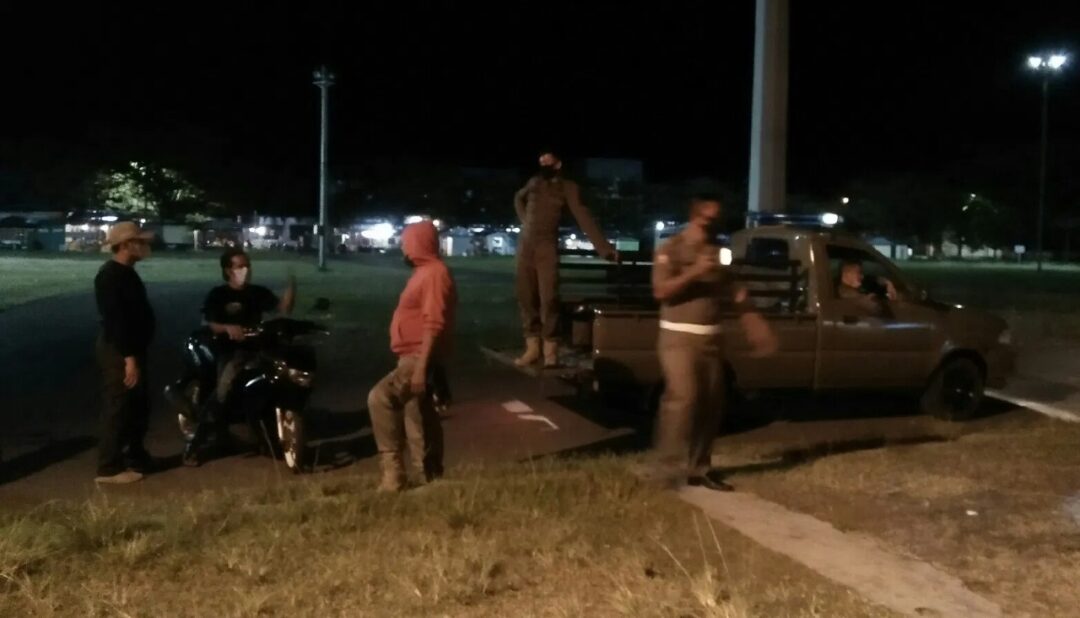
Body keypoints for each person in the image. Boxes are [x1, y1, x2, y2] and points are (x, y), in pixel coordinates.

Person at [649, 195, 778, 490]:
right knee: (684, 398)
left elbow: (735, 290)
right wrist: (694, 271)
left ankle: (699, 468)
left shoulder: (719, 252)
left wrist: (754, 323)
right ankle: (667, 469)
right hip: (678, 337)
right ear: (694, 216)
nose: (711, 223)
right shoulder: (671, 249)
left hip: (711, 338)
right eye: (707, 218)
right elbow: (660, 291)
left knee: (711, 403)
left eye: (716, 218)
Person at [182, 248, 295, 466]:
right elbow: (210, 323)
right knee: (223, 392)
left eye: (248, 265)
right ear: (228, 270)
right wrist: (227, 328)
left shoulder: (258, 292)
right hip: (231, 351)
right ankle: (195, 445)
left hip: (259, 349)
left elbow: (283, 309)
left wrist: (292, 284)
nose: (246, 270)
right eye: (240, 266)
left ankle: (268, 437)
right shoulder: (219, 295)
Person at [367, 221, 456, 492]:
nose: (403, 248)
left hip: (419, 356)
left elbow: (434, 322)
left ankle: (393, 474)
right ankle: (428, 477)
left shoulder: (435, 273)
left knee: (381, 398)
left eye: (407, 242)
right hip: (413, 355)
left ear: (419, 243)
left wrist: (421, 366)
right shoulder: (424, 273)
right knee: (419, 417)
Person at [513, 151, 617, 368]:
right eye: (541, 158)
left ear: (558, 164)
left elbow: (583, 216)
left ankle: (550, 349)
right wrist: (525, 220)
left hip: (546, 246)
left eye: (547, 159)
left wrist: (604, 248)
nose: (542, 161)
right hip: (525, 246)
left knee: (549, 297)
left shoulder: (568, 187)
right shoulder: (534, 181)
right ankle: (532, 347)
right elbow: (518, 198)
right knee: (525, 295)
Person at [93, 221, 157, 484]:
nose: (144, 246)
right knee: (118, 405)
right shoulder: (110, 276)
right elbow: (115, 320)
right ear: (126, 245)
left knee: (138, 405)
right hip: (119, 349)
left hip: (132, 347)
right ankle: (108, 467)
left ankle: (135, 455)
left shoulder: (127, 272)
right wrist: (129, 358)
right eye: (139, 241)